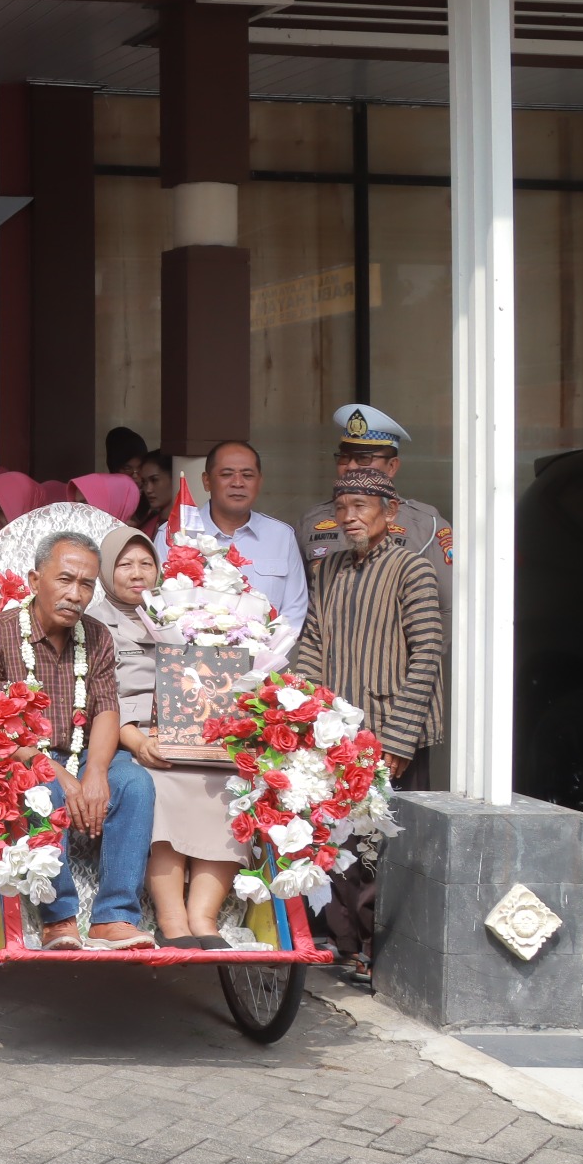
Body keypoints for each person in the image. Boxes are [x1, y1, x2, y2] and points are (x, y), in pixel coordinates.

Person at [0, 532, 155, 950]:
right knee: (43, 789)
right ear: (33, 580)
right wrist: (57, 773)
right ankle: (59, 918)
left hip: (85, 751)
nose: (75, 594)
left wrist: (97, 772)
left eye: (86, 585)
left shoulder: (97, 636)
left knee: (135, 784)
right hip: (22, 757)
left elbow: (105, 709)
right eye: (64, 580)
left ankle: (115, 917)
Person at [290, 467, 445, 986]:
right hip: (338, 732)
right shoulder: (328, 568)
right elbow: (312, 642)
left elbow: (427, 654)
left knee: (385, 845)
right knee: (338, 841)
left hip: (389, 730)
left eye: (362, 506)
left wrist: (399, 737)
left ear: (389, 513)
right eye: (343, 506)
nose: (350, 517)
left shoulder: (411, 569)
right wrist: (303, 712)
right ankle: (347, 943)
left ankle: (385, 950)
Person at [96, 525, 249, 950]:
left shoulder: (184, 617)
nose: (137, 572)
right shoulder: (92, 624)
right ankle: (172, 918)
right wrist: (139, 742)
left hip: (197, 736)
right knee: (156, 785)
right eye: (124, 564)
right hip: (131, 740)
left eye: (146, 563)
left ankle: (204, 917)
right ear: (107, 570)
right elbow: (98, 701)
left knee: (230, 786)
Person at [295, 404, 454, 617]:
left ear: (392, 466)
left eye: (363, 459)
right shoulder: (312, 520)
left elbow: (446, 609)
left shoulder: (426, 524)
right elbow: (298, 604)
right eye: (344, 457)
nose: (350, 466)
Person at [171, 439, 309, 650]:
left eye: (247, 475)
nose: (238, 483)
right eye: (226, 474)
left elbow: (294, 612)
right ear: (206, 481)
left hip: (264, 669)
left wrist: (262, 658)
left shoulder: (281, 536)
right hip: (193, 667)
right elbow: (163, 607)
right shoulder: (178, 533)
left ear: (259, 481)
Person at [133, 449, 174, 536]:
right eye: (144, 482)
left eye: (154, 480)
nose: (148, 489)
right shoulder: (147, 524)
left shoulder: (186, 527)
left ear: (173, 478)